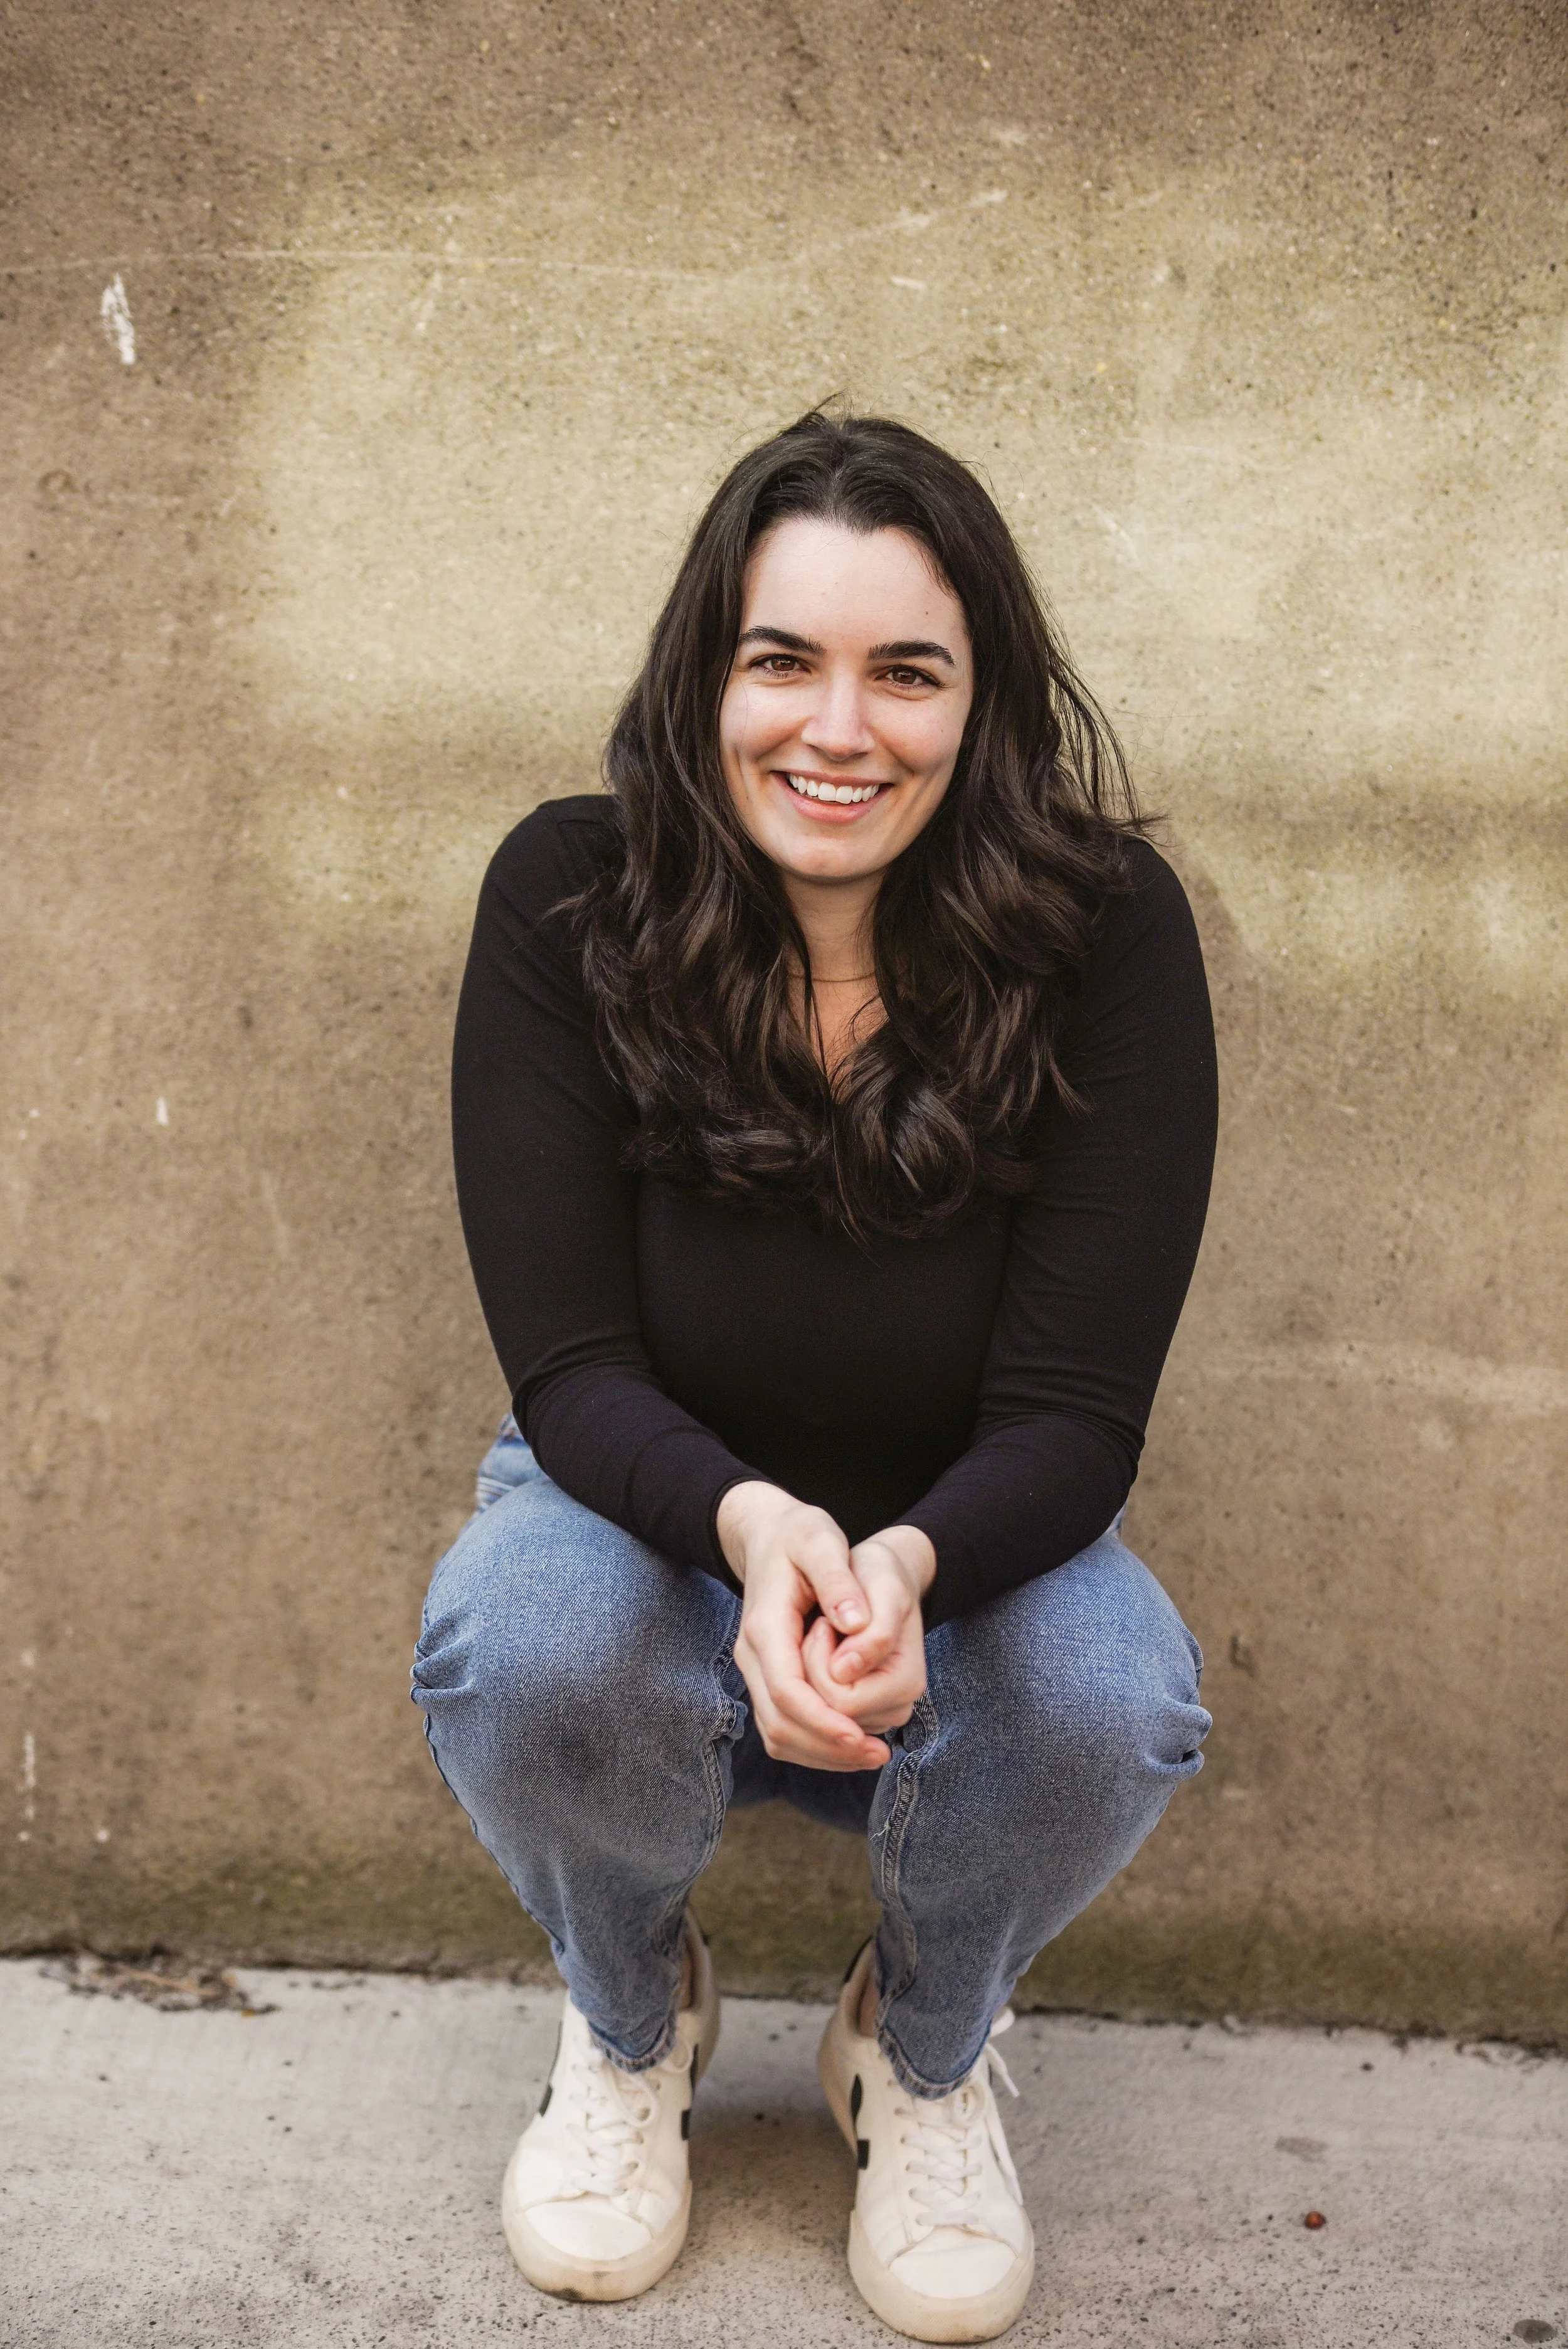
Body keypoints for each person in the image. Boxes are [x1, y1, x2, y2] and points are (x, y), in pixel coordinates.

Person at [413, 410, 1217, 2343]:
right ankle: (629, 2028)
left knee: (1116, 1698)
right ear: (705, 676)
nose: (836, 727)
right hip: (638, 1505)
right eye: (782, 660)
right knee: (516, 1640)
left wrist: (911, 1566)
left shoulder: (1103, 934)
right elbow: (572, 1364)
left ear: (981, 702)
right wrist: (755, 1525)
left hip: (970, 1529)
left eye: (905, 672)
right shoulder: (564, 900)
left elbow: (1075, 1420)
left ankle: (922, 2058)